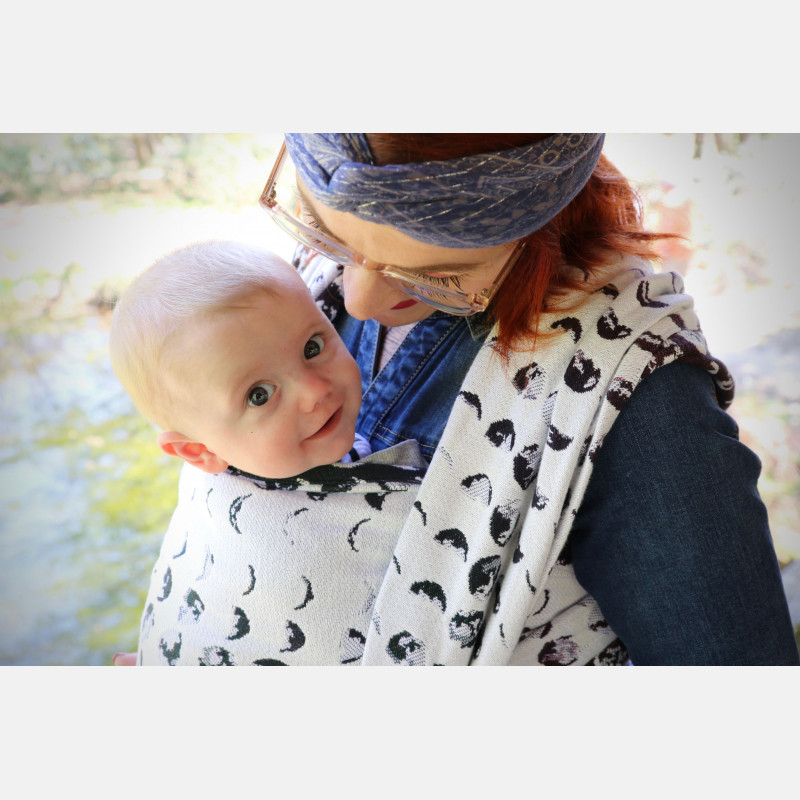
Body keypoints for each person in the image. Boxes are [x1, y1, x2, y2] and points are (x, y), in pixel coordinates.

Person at [243, 132, 798, 666]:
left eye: (433, 275)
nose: (356, 300)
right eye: (326, 231)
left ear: (533, 231)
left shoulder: (638, 402)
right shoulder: (312, 280)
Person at [109, 241, 427, 665]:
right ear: (198, 452)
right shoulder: (219, 513)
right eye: (259, 395)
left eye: (312, 347)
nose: (315, 391)